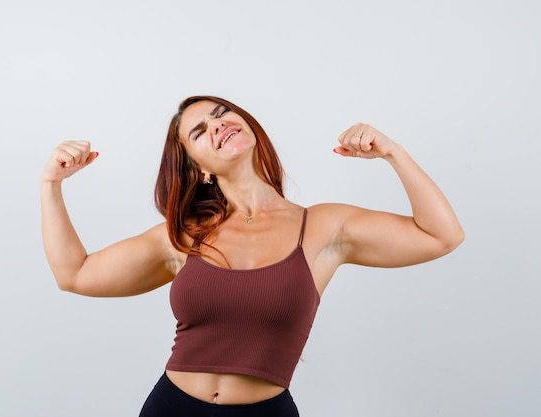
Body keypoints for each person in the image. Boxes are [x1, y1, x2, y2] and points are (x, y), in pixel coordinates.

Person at [40, 95, 464, 416]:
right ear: (199, 168)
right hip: (173, 407)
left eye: (221, 114)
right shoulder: (184, 237)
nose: (217, 126)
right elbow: (75, 274)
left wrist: (392, 152)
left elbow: (441, 235)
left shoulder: (324, 227)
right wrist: (51, 183)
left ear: (248, 125)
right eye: (200, 131)